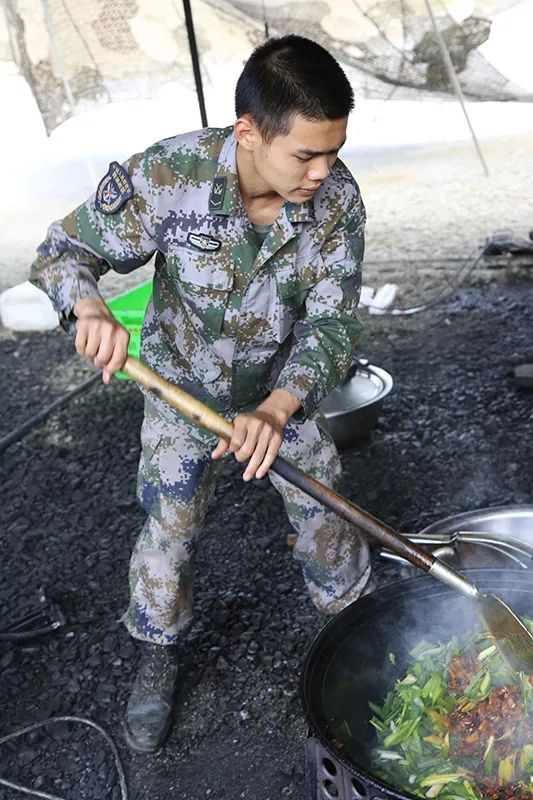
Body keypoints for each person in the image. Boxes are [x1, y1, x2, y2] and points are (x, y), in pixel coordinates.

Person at [30, 34, 371, 753]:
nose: (322, 171)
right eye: (304, 155)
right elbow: (62, 253)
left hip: (283, 398)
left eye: (333, 151)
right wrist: (87, 307)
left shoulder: (335, 199)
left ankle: (356, 636)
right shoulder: (168, 174)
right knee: (170, 530)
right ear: (248, 132)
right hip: (181, 394)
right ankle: (159, 652)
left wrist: (278, 408)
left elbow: (334, 324)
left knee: (329, 515)